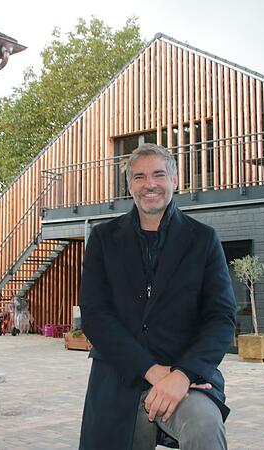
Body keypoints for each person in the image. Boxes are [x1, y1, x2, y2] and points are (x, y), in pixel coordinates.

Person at [78, 143, 237, 449]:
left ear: (174, 181)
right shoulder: (103, 239)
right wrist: (151, 371)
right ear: (129, 186)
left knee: (205, 425)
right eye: (139, 177)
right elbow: (96, 316)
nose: (149, 184)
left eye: (158, 175)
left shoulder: (203, 239)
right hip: (119, 376)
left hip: (185, 378)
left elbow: (221, 318)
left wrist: (182, 375)